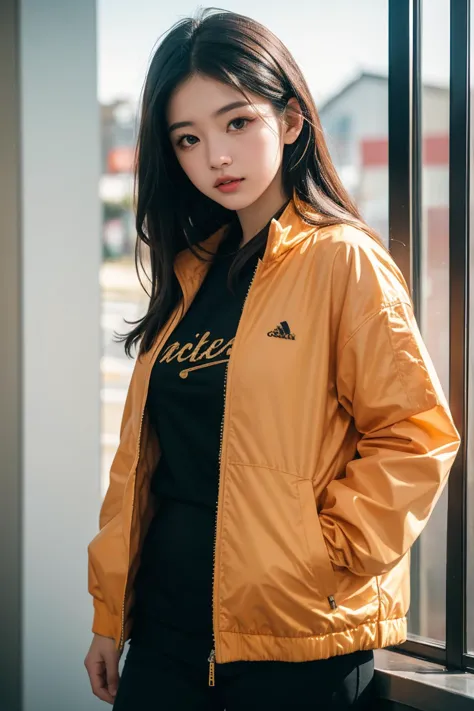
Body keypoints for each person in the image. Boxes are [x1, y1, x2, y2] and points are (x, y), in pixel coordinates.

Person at [84, 8, 460, 710]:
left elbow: (415, 434)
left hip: (292, 651)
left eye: (236, 123)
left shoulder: (342, 260)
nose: (215, 157)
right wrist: (111, 616)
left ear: (290, 121)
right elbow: (141, 465)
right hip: (162, 639)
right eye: (188, 139)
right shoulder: (191, 272)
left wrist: (323, 559)